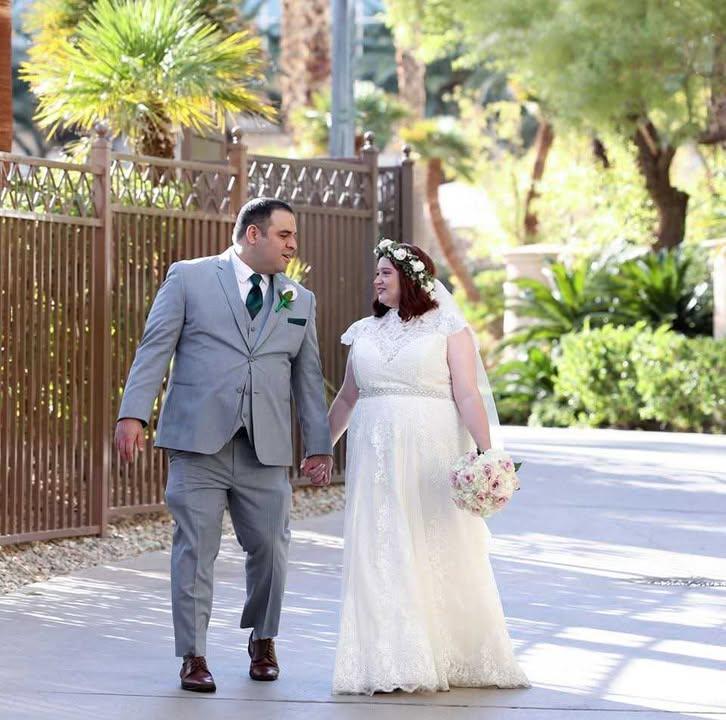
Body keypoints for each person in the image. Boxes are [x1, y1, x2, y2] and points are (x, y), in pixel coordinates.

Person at [114, 197, 333, 692]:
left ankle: (263, 638)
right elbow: (156, 347)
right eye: (284, 235)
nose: (293, 245)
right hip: (198, 443)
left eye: (294, 236)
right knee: (195, 549)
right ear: (252, 235)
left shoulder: (299, 300)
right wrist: (133, 413)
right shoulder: (189, 278)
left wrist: (319, 445)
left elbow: (308, 376)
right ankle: (193, 654)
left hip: (265, 449)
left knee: (273, 549)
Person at [325, 241, 530, 695]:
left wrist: (486, 453)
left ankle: (449, 650)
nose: (377, 280)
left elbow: (469, 393)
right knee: (380, 544)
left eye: (386, 273)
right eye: (376, 273)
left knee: (433, 543)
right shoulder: (364, 331)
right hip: (374, 456)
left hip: (431, 452)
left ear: (412, 278)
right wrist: (322, 448)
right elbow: (346, 398)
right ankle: (388, 658)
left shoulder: (448, 327)